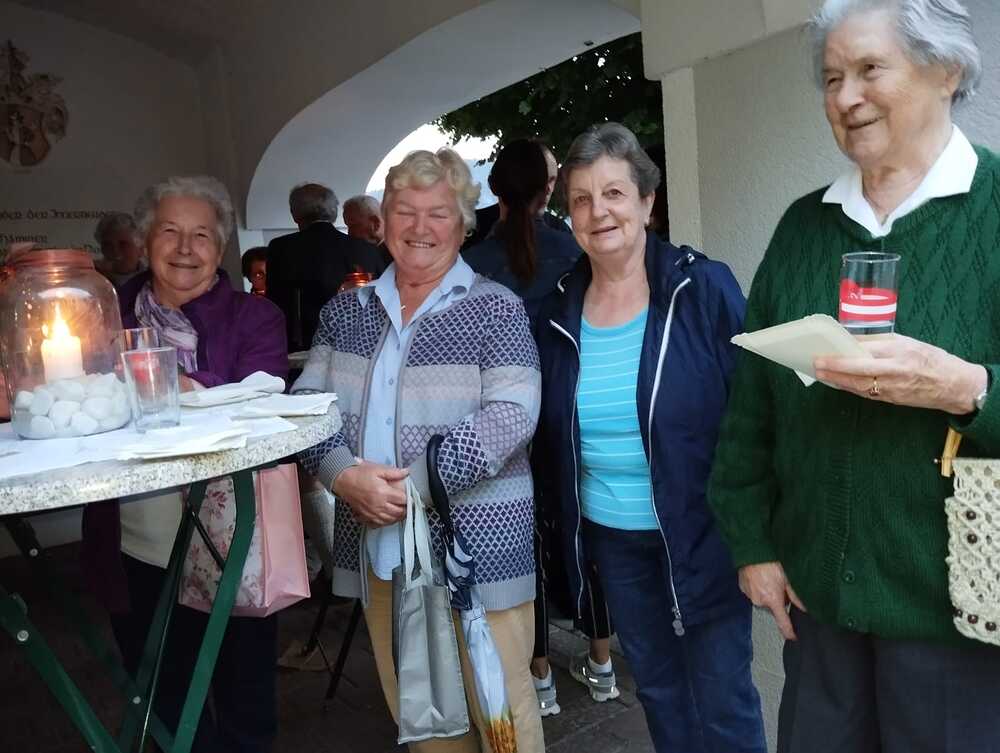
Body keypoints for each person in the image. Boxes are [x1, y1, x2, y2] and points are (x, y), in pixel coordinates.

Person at [708, 2, 1000, 751]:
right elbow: (750, 409)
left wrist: (968, 390)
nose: (845, 97)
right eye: (832, 77)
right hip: (820, 608)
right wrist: (753, 545)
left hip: (960, 619)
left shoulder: (995, 210)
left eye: (870, 69)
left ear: (946, 70)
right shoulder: (804, 226)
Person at [293, 147, 544, 752]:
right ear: (382, 223)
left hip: (478, 550)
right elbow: (304, 409)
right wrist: (342, 475)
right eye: (405, 211)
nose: (420, 227)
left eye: (439, 212)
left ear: (463, 225)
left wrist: (413, 488)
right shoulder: (346, 312)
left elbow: (513, 415)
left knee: (502, 718)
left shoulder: (495, 309)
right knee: (424, 718)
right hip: (381, 553)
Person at [532, 122, 766, 753]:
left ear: (646, 201)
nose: (598, 212)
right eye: (581, 199)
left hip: (702, 530)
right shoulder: (556, 309)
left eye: (614, 193)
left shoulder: (701, 288)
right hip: (614, 538)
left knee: (723, 696)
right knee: (658, 690)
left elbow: (754, 410)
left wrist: (761, 533)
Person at [81, 175, 288, 753]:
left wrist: (157, 382)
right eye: (169, 231)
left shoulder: (255, 317)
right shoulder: (100, 317)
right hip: (136, 543)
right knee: (161, 698)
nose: (185, 248)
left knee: (244, 696)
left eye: (201, 235)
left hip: (233, 541)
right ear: (146, 240)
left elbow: (262, 396)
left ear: (220, 246)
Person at [463, 139, 608, 715]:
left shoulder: (472, 263)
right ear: (549, 188)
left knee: (526, 540)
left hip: (502, 421)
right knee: (582, 524)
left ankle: (540, 674)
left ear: (496, 188)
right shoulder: (575, 249)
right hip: (569, 409)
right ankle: (601, 661)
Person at [266, 182, 385, 351]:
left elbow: (275, 303)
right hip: (361, 341)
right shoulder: (366, 249)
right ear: (334, 213)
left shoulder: (281, 248)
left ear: (295, 214)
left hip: (305, 344)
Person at [462, 141, 569, 251]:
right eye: (539, 181)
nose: (547, 189)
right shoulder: (472, 228)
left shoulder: (561, 229)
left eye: (552, 180)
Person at [94, 211, 146, 287]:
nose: (115, 251)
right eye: (108, 245)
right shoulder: (92, 279)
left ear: (140, 249)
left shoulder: (155, 281)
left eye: (123, 244)